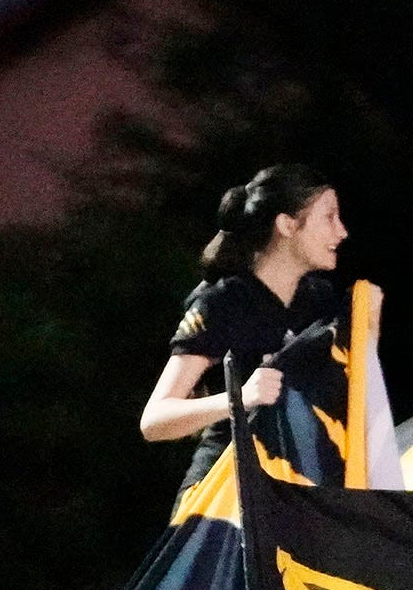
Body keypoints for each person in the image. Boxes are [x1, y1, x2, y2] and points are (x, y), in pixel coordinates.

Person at [138, 165, 347, 494]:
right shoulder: (223, 304)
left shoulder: (319, 299)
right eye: (329, 217)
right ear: (287, 225)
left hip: (295, 489)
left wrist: (366, 328)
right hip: (224, 497)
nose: (342, 232)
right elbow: (154, 421)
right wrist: (240, 399)